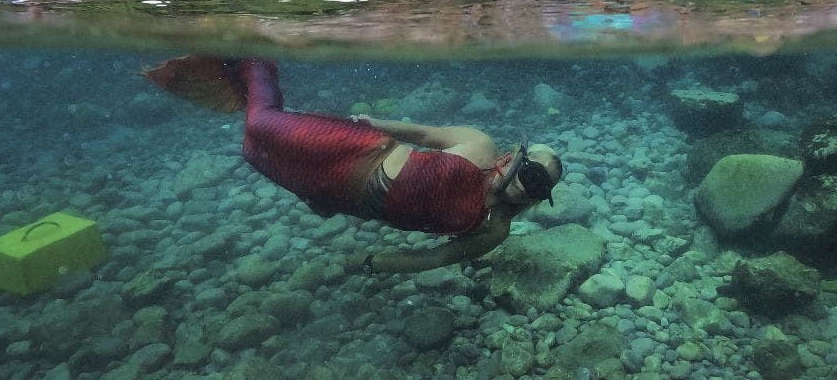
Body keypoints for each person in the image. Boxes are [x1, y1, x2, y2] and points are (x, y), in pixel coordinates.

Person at [144, 57, 563, 273]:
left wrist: (380, 264)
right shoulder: (480, 145)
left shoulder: (494, 229)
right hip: (361, 150)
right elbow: (421, 133)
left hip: (343, 196)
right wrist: (373, 121)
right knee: (260, 124)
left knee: (252, 154)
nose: (531, 187)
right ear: (516, 159)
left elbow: (437, 258)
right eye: (532, 173)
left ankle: (244, 81)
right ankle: (255, 65)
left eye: (541, 189)